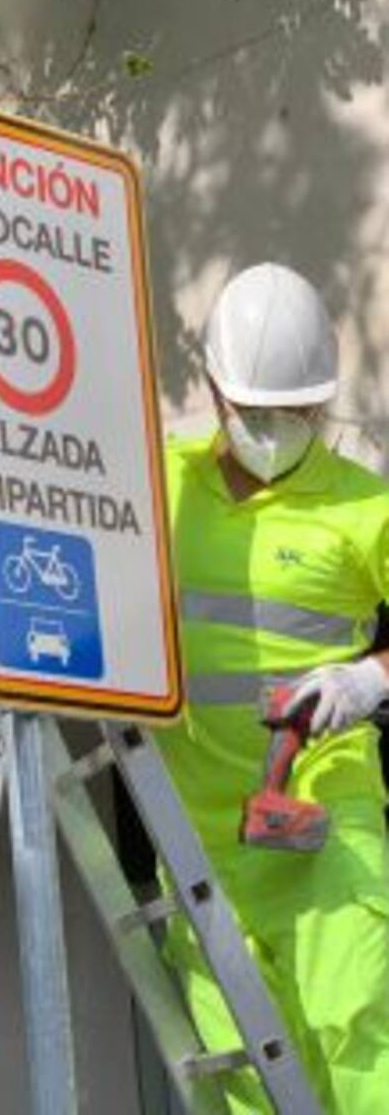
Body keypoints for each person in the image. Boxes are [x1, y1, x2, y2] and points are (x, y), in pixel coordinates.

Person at [159, 261, 389, 1113]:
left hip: (327, 824)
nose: (274, 428)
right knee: (243, 1079)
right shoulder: (161, 486)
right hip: (198, 836)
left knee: (360, 1038)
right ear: (215, 392)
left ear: (322, 404)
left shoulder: (364, 508)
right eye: (256, 411)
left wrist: (368, 678)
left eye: (294, 413)